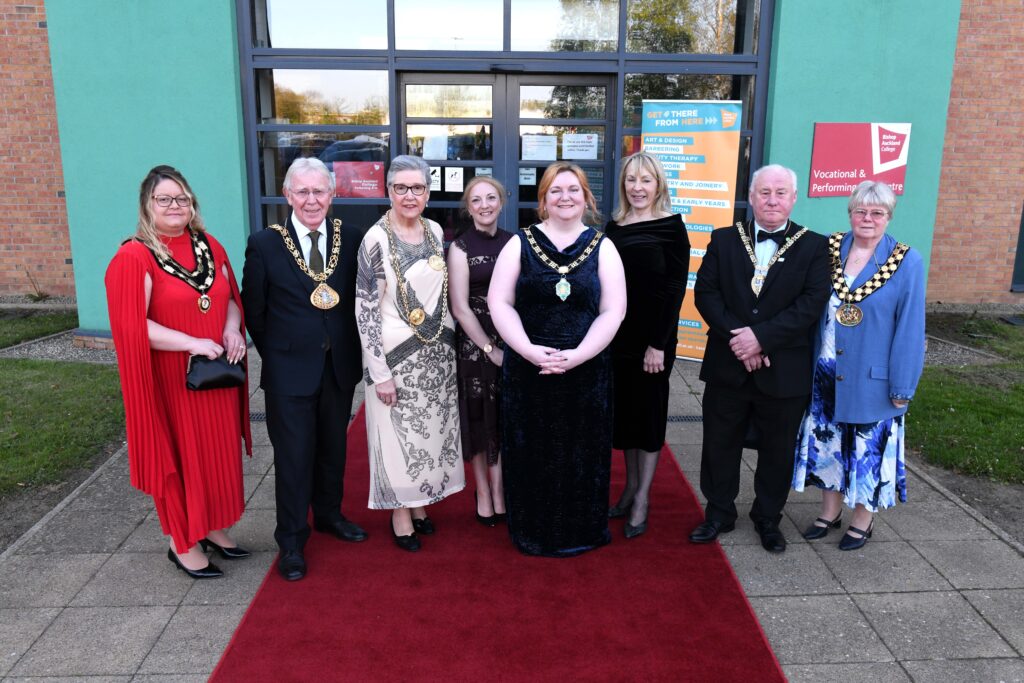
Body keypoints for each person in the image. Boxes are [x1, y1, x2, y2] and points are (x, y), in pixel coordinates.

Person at [106, 164, 251, 579]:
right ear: (147, 205)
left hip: (215, 373)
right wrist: (191, 342)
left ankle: (211, 526)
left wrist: (229, 330)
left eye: (181, 198)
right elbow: (133, 324)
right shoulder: (135, 256)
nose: (175, 205)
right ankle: (182, 542)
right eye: (164, 199)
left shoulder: (209, 245)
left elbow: (226, 297)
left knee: (214, 454)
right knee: (182, 456)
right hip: (172, 379)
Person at [689, 164, 830, 553]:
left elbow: (811, 304)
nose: (772, 199)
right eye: (764, 192)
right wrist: (741, 340)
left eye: (780, 192)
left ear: (793, 198)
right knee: (719, 443)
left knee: (778, 450)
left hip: (784, 370)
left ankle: (768, 518)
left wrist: (761, 339)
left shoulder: (816, 246)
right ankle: (718, 513)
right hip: (727, 364)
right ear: (751, 197)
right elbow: (707, 295)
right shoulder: (723, 239)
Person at [488, 162, 626, 557]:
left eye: (573, 190)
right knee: (532, 451)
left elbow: (612, 311)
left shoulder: (604, 246)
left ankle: (580, 531)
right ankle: (532, 531)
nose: (565, 197)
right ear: (544, 199)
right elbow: (500, 302)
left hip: (586, 371)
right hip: (529, 369)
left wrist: (579, 356)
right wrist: (528, 351)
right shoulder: (521, 243)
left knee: (582, 453)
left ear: (586, 197)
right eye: (556, 191)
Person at [241, 157, 367, 582]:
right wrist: (278, 354)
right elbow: (254, 312)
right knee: (294, 458)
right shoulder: (264, 243)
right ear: (288, 195)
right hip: (288, 372)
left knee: (333, 449)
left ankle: (329, 514)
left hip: (338, 366)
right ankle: (292, 541)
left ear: (332, 195)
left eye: (320, 192)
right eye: (303, 192)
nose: (312, 200)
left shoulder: (351, 238)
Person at [793, 181, 925, 550]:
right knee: (829, 446)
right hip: (825, 371)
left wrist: (902, 386)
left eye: (877, 212)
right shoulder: (830, 249)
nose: (867, 219)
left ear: (889, 216)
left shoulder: (905, 260)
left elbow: (910, 329)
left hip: (873, 378)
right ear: (850, 213)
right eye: (860, 211)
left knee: (869, 450)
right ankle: (829, 513)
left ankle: (862, 521)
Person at [355, 155, 465, 552]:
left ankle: (421, 504)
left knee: (430, 435)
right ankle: (400, 513)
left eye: (416, 187)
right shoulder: (375, 239)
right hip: (394, 357)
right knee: (395, 436)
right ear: (388, 191)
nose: (408, 195)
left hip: (437, 354)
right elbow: (365, 309)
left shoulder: (436, 230)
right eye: (400, 188)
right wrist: (379, 371)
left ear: (428, 192)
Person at [605, 152, 691, 539]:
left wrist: (658, 344)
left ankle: (642, 499)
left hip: (653, 340)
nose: (637, 188)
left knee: (650, 416)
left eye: (646, 180)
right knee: (626, 419)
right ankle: (628, 489)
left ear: (659, 185)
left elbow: (675, 290)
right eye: (631, 180)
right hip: (618, 336)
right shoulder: (615, 227)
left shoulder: (673, 228)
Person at [448, 176, 513, 526]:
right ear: (468, 207)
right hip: (476, 346)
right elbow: (459, 308)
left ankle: (501, 490)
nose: (485, 205)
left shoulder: (514, 242)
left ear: (501, 202)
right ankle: (484, 493)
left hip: (511, 339)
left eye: (491, 198)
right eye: (477, 200)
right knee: (478, 419)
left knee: (502, 418)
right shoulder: (460, 247)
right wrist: (489, 349)